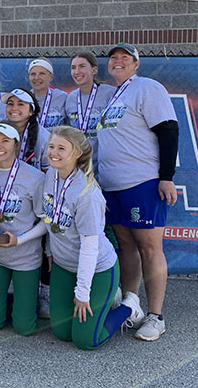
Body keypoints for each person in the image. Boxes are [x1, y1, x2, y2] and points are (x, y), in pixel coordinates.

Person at [97, 43, 179, 341]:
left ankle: (156, 317)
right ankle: (132, 307)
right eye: (113, 58)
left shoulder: (147, 87)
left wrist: (166, 177)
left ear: (136, 64)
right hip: (113, 186)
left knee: (148, 248)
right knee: (126, 247)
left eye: (125, 58)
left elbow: (168, 129)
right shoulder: (114, 95)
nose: (118, 62)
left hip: (142, 182)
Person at [43, 126, 131, 349]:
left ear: (77, 154)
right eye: (52, 146)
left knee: (86, 340)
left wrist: (82, 293)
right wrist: (49, 252)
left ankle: (129, 306)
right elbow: (49, 219)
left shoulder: (87, 194)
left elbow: (90, 247)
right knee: (62, 332)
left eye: (61, 148)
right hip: (64, 265)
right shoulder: (51, 175)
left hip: (96, 269)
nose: (54, 152)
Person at [0, 121, 46, 336]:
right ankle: (4, 298)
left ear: (16, 145)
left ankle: (21, 301)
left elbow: (45, 222)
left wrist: (20, 240)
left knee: (24, 328)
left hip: (25, 256)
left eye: (5, 141)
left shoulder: (35, 178)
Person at [65, 51, 116, 175]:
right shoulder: (71, 98)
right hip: (79, 166)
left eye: (82, 66)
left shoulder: (110, 94)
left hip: (106, 167)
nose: (77, 71)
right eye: (73, 67)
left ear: (94, 70)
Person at [1, 88, 50, 172]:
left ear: (31, 111)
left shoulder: (44, 137)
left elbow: (48, 171)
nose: (14, 108)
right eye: (10, 104)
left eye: (20, 104)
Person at [27, 58, 68, 130]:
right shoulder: (24, 98)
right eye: (33, 74)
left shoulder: (63, 97)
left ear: (51, 77)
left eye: (42, 74)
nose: (36, 78)